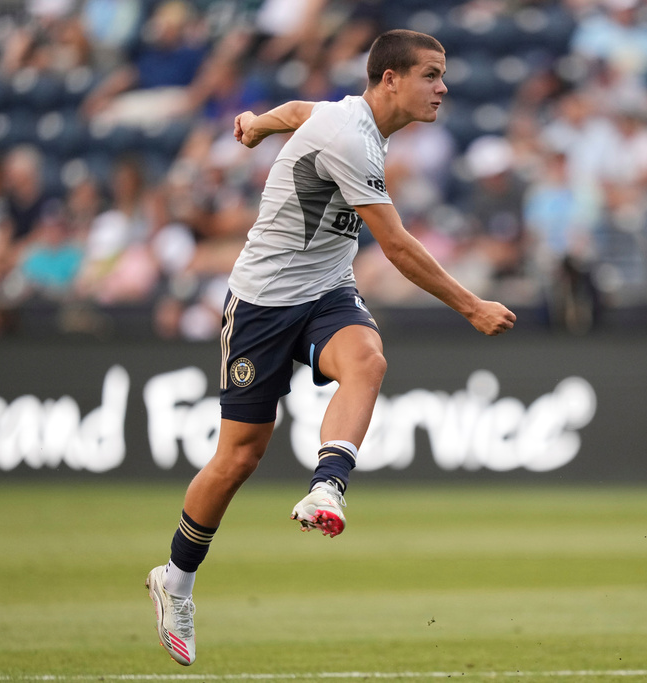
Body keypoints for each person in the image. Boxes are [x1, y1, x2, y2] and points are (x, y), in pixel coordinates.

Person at [145, 29, 516, 667]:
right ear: (391, 79)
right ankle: (175, 580)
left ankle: (327, 489)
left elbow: (297, 112)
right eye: (431, 74)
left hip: (325, 292)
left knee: (368, 360)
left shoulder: (346, 120)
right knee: (237, 459)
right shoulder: (351, 138)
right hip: (262, 303)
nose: (443, 87)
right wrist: (472, 305)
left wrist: (259, 124)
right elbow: (397, 247)